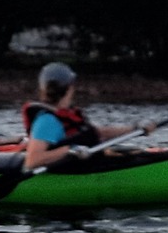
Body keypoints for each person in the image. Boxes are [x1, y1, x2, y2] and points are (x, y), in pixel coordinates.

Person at [21, 62, 153, 171]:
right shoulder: (47, 121)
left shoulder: (68, 114)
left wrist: (136, 129)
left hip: (91, 165)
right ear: (69, 88)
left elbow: (98, 132)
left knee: (139, 154)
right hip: (72, 172)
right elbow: (32, 161)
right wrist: (69, 150)